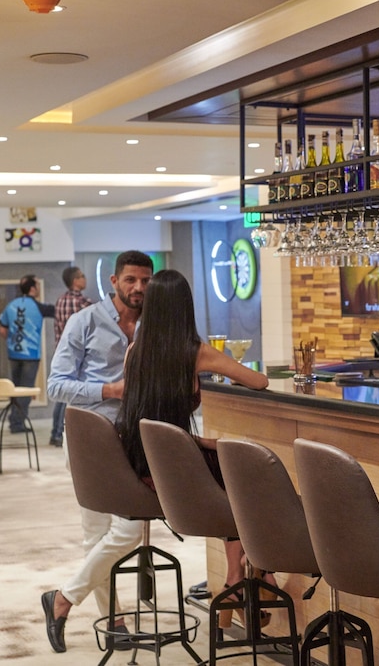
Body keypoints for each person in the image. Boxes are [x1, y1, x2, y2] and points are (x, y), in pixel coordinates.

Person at [114, 269, 269, 630]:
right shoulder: (195, 352)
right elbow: (259, 381)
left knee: (228, 462)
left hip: (143, 465)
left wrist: (200, 442)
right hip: (176, 471)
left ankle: (237, 579)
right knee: (244, 475)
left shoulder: (134, 351)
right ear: (185, 308)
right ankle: (241, 578)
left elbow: (152, 422)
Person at [40, 250, 154, 654]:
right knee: (101, 533)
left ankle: (63, 598)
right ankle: (115, 622)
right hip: (90, 438)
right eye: (131, 280)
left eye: (145, 280)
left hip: (134, 438)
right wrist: (109, 390)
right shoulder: (84, 321)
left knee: (125, 530)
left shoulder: (154, 325)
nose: (138, 287)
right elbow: (55, 385)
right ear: (114, 281)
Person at [0, 274, 55, 433]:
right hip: (30, 354)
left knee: (15, 388)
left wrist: (13, 339)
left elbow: (2, 330)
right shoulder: (39, 307)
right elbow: (56, 312)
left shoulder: (11, 305)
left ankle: (14, 419)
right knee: (25, 390)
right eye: (37, 285)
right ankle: (18, 423)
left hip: (13, 353)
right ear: (32, 288)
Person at [49, 266, 93, 446]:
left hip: (61, 353)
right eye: (82, 276)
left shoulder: (60, 300)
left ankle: (55, 431)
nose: (85, 278)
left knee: (61, 394)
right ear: (75, 281)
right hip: (80, 356)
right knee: (70, 396)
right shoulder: (84, 303)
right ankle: (60, 433)